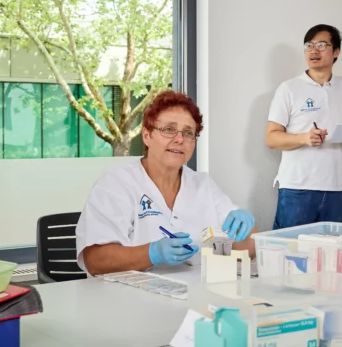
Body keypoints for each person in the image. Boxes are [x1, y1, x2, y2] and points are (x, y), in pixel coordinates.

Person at [76, 91, 257, 276]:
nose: (179, 139)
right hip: (129, 297)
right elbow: (95, 260)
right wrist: (152, 253)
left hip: (195, 294)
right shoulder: (116, 183)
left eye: (188, 133)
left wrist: (247, 230)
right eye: (169, 129)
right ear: (147, 135)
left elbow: (247, 249)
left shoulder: (203, 185)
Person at [266, 24, 342, 229]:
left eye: (321, 45)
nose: (313, 50)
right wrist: (303, 138)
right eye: (309, 45)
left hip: (334, 189)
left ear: (336, 52)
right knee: (290, 253)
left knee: (331, 255)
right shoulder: (289, 88)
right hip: (296, 188)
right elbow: (271, 138)